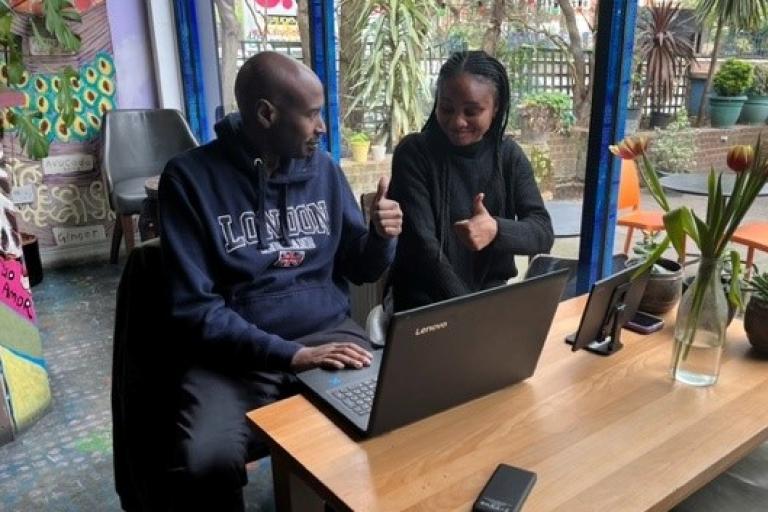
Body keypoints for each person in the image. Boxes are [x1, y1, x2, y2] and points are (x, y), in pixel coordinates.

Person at [158, 52, 402, 510]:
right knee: (206, 460)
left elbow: (360, 268)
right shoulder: (189, 179)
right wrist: (292, 355)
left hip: (327, 335)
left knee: (388, 419)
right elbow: (194, 310)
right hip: (232, 357)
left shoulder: (324, 170)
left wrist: (381, 238)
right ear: (266, 114)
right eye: (312, 114)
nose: (322, 127)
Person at [388, 50, 554, 311]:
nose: (458, 121)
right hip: (425, 307)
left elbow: (542, 232)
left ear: (495, 108)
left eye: (472, 111)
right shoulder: (414, 154)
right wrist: (471, 311)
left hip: (490, 301)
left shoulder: (508, 156)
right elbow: (425, 249)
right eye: (447, 108)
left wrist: (496, 229)